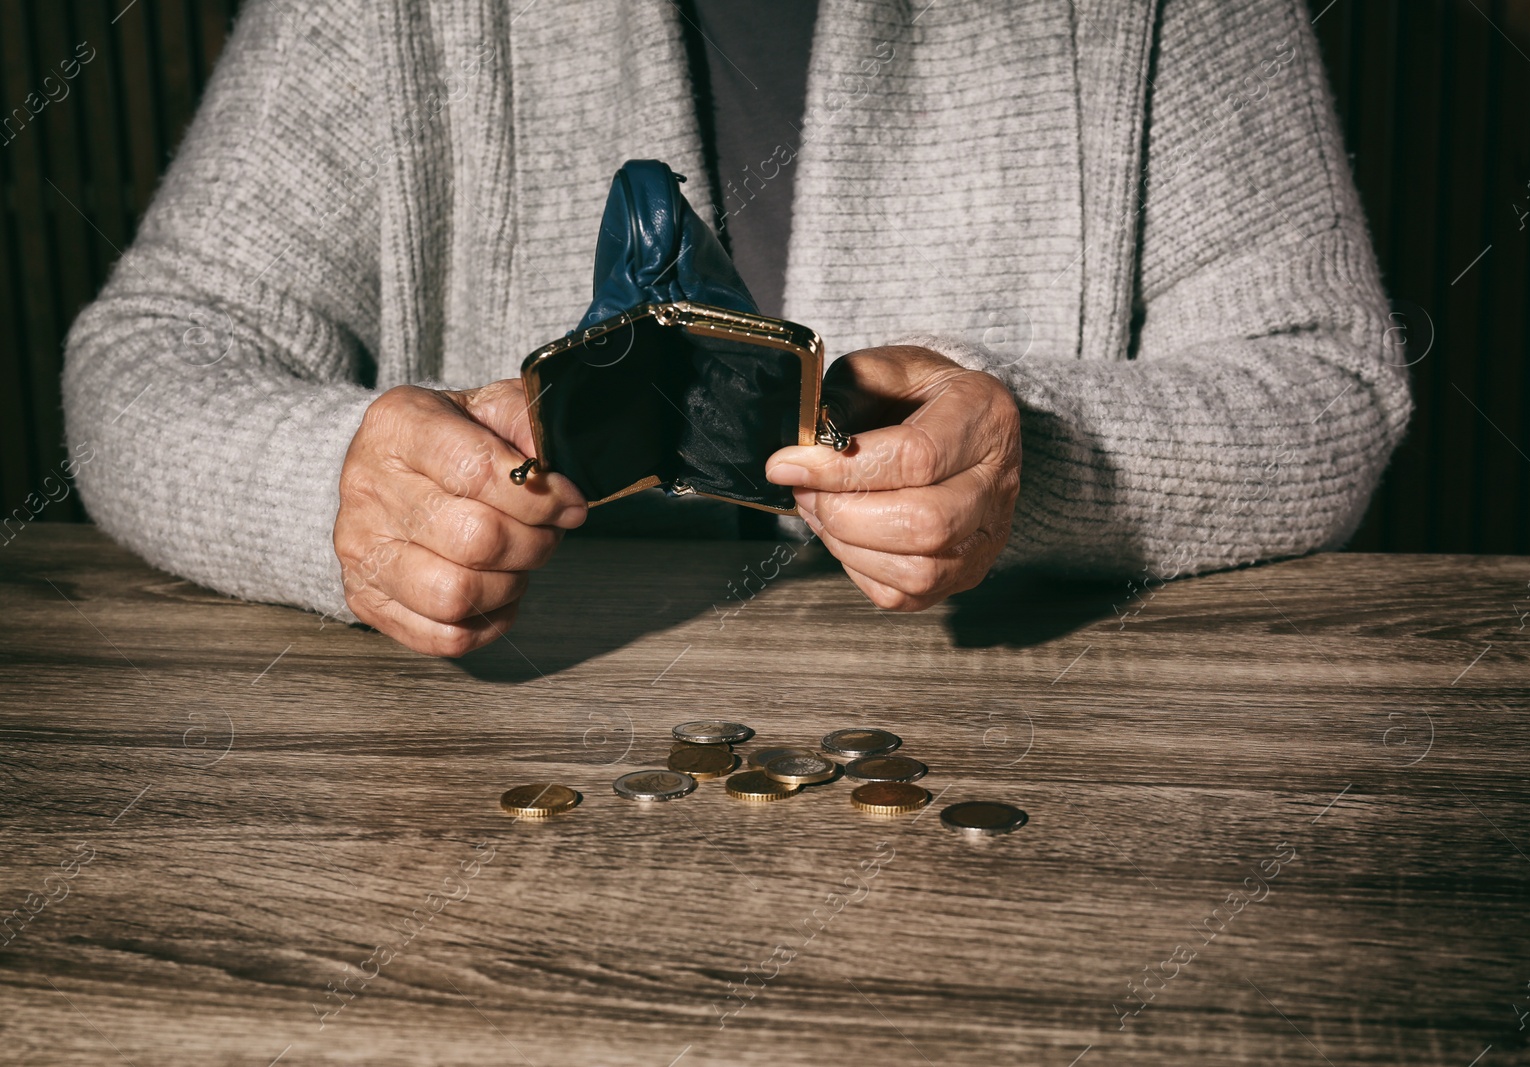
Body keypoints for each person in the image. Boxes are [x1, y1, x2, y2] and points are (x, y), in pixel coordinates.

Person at [62, 0, 1411, 657]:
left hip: (1038, 802)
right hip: (486, 807)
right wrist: (334, 487)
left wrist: (1034, 458)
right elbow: (151, 350)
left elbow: (1329, 380)